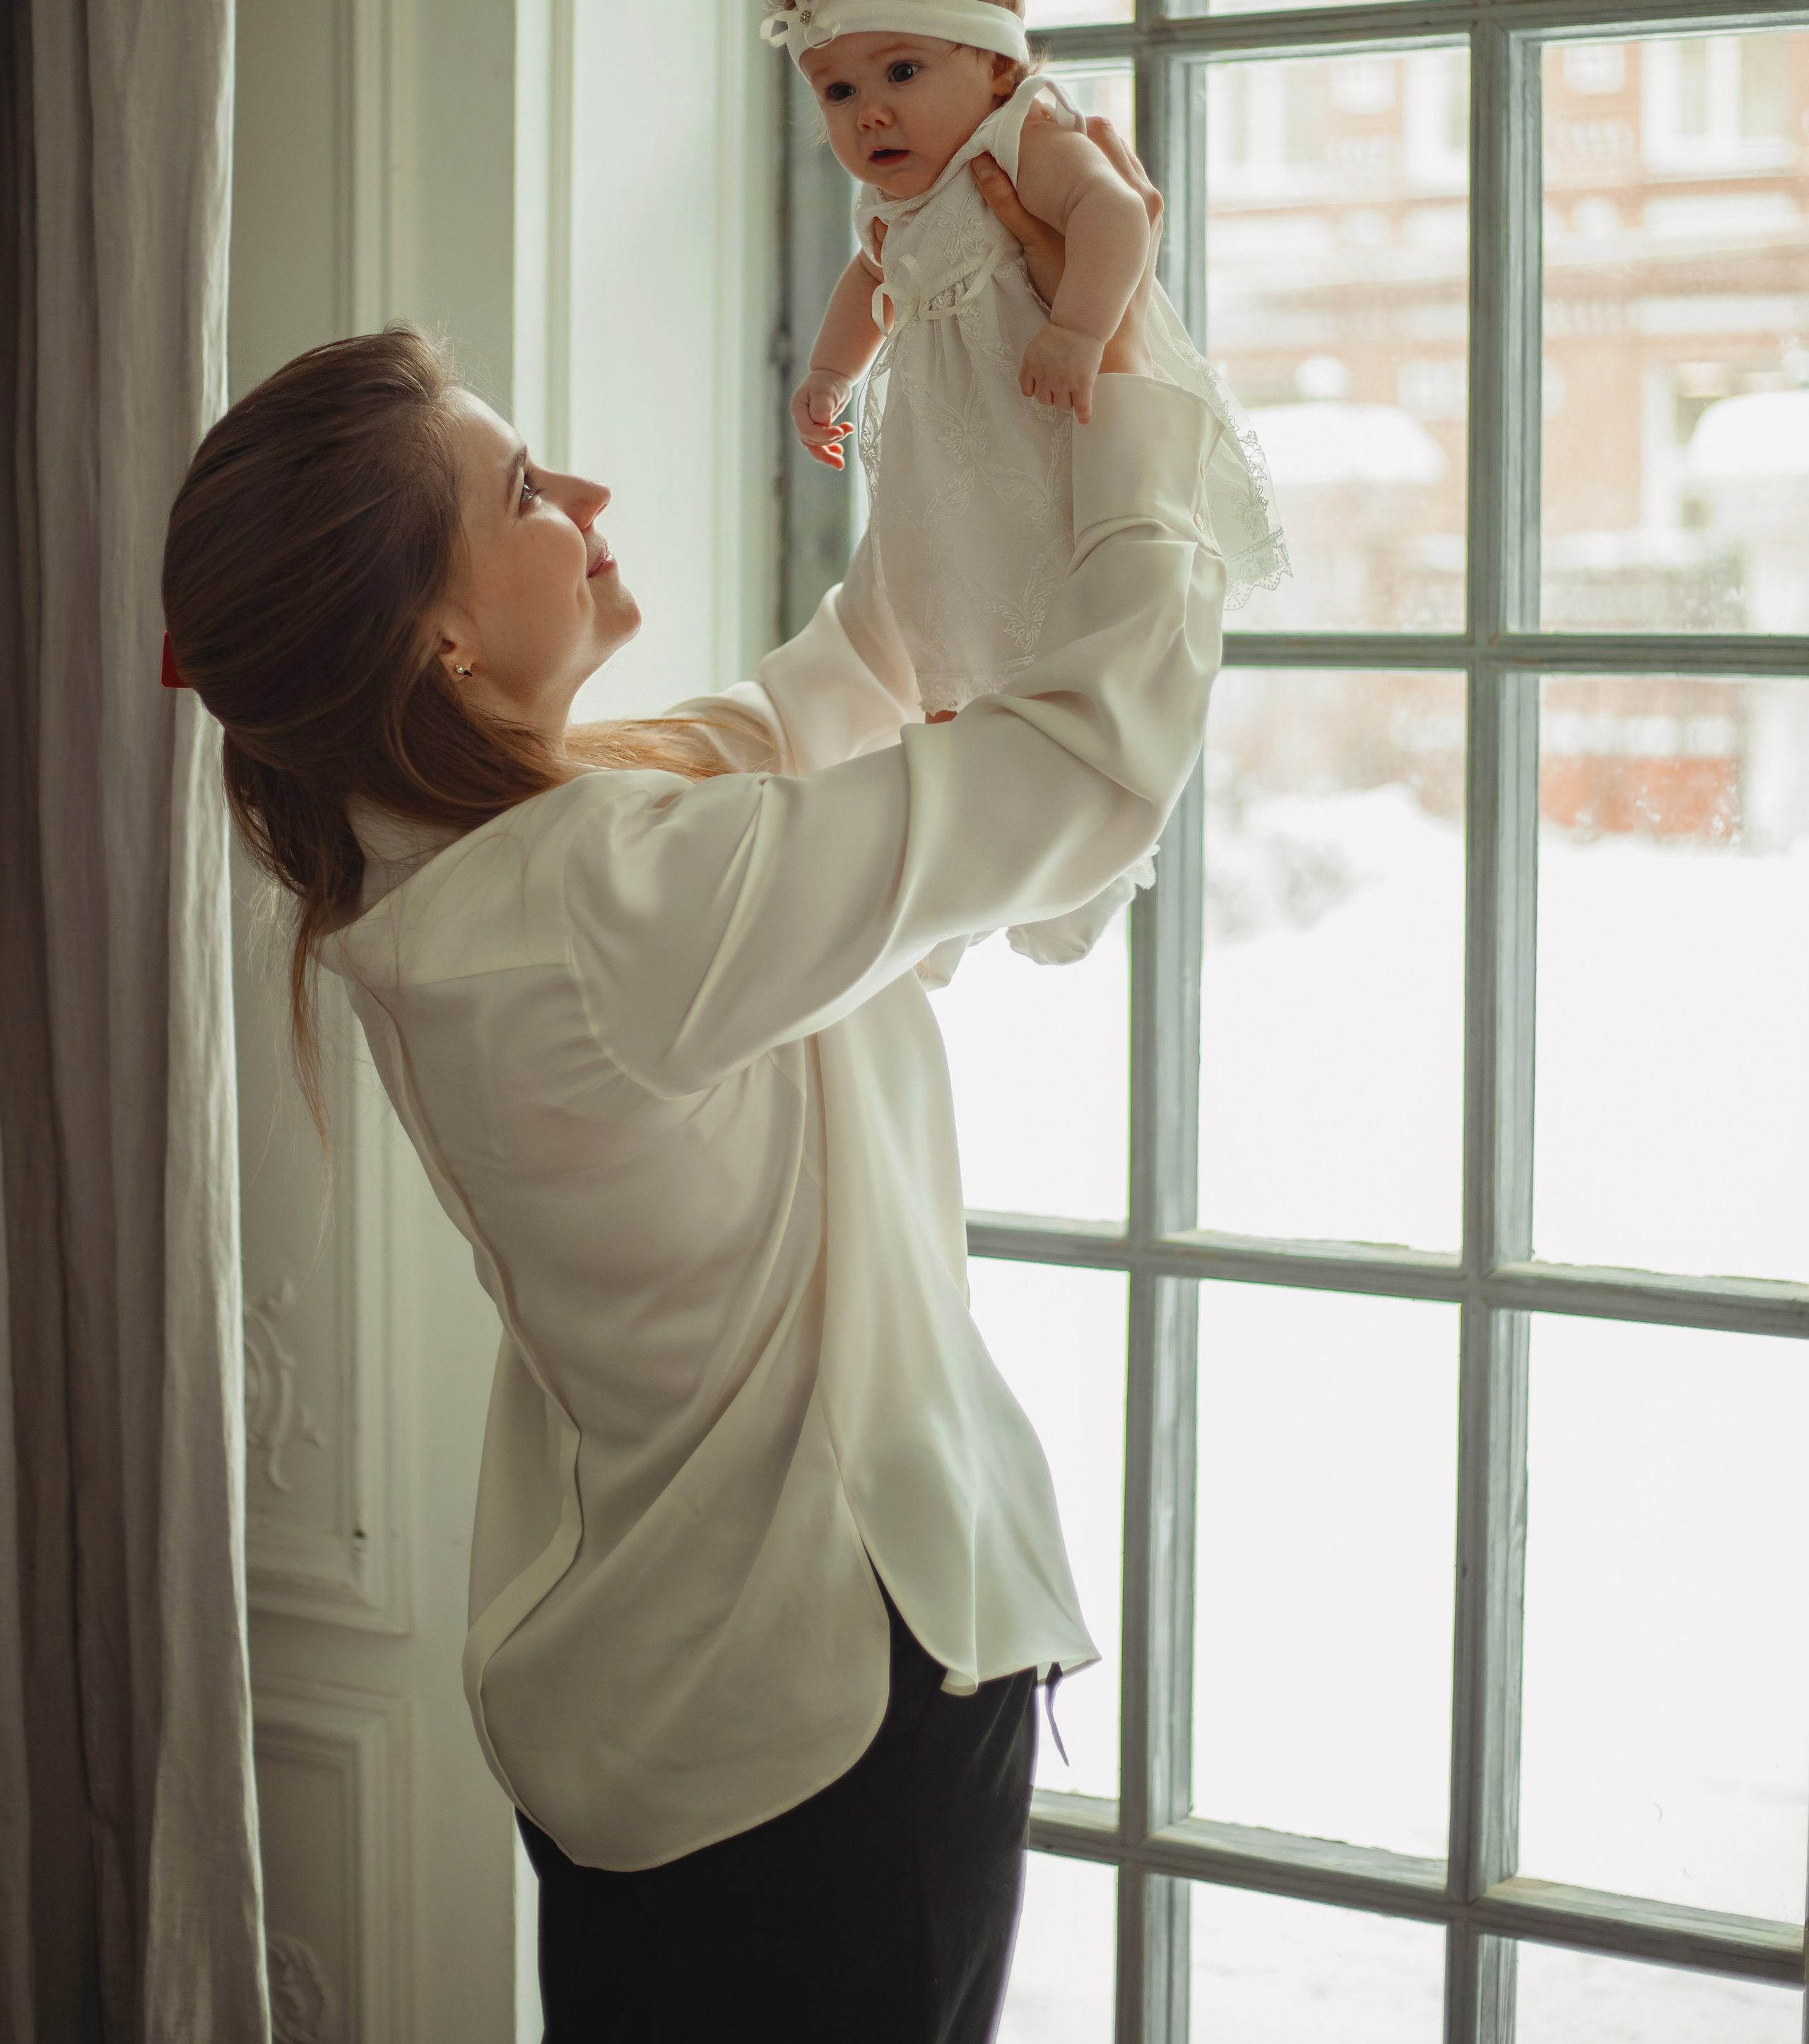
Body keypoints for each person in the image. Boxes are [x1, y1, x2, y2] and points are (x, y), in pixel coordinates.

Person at [161, 134, 1225, 2043]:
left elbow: (864, 667)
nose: (583, 497)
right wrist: (1132, 377)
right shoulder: (597, 900)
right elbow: (1086, 769)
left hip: (650, 1726)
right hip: (822, 1728)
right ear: (440, 632)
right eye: (519, 488)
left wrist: (952, 344)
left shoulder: (452, 868)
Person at [767, 0, 1287, 982]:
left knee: (1064, 629)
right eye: (838, 91)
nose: (871, 114)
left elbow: (1114, 215)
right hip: (950, 472)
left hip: (1045, 436)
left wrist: (1078, 328)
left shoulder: (1023, 137)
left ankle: (1080, 864)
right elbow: (870, 283)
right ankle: (961, 878)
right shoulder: (890, 197)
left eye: (901, 70)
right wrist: (829, 374)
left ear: (996, 61)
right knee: (948, 635)